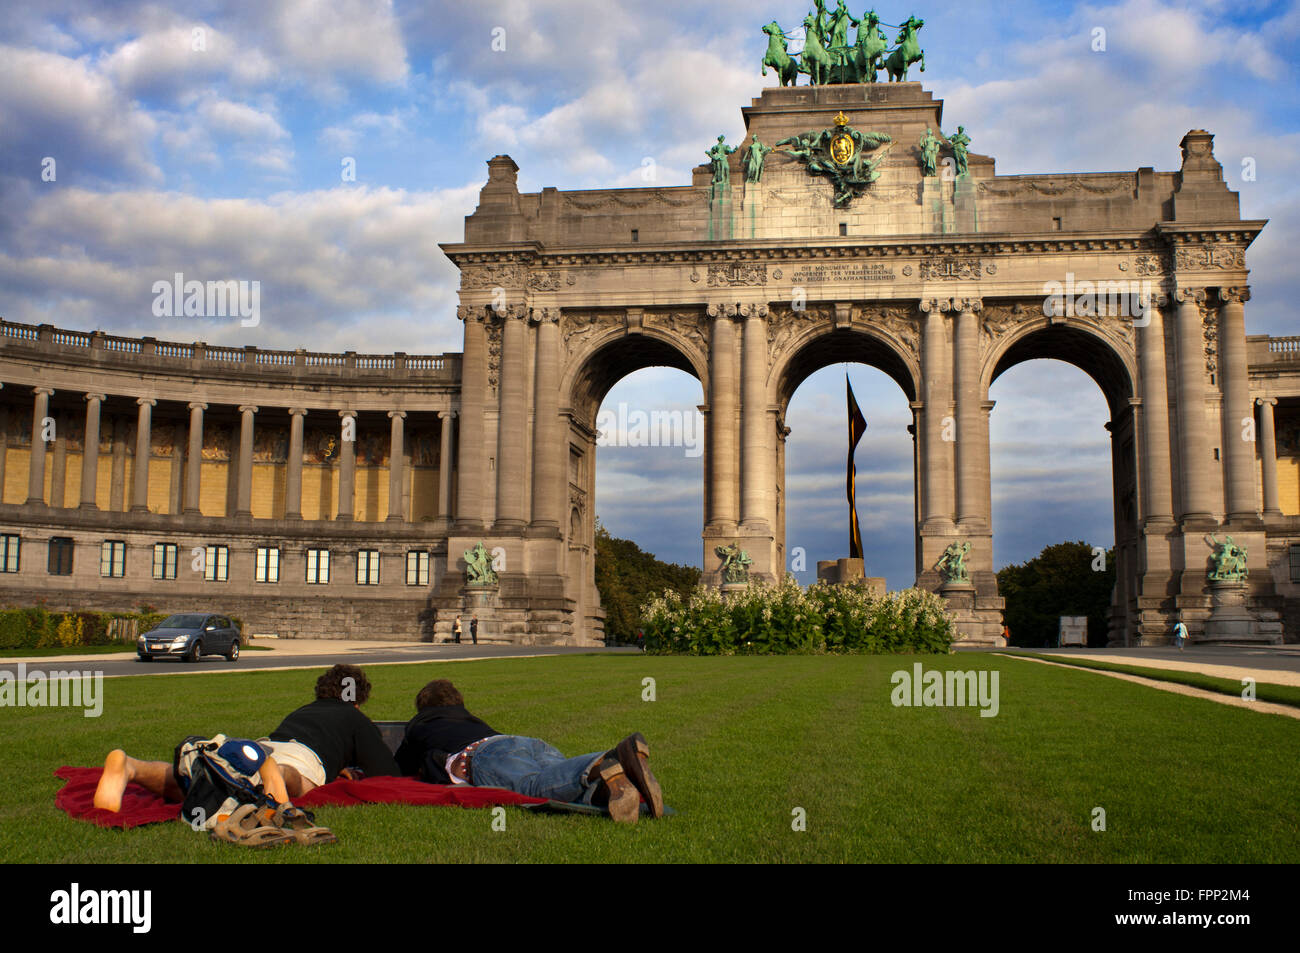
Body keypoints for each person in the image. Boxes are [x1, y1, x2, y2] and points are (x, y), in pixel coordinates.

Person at [92, 664, 398, 811]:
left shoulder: (303, 711)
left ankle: (131, 767)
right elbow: (388, 774)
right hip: (298, 759)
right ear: (357, 700)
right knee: (301, 784)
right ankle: (273, 774)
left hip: (263, 745)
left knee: (207, 788)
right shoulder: (354, 717)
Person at [394, 679, 664, 824]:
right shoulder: (469, 719)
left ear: (423, 707)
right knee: (560, 783)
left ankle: (613, 757)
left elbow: (399, 767)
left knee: (535, 789)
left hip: (484, 754)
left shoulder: (421, 723)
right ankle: (609, 784)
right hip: (520, 741)